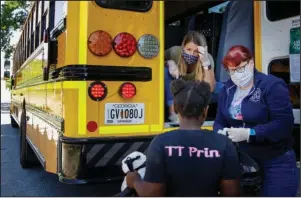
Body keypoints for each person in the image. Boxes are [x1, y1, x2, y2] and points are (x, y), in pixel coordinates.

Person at [126, 79, 241, 197]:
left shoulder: (160, 143)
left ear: (175, 109)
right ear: (205, 110)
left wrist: (134, 180)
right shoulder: (224, 144)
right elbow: (232, 193)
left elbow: (152, 194)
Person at [213, 45, 299, 196]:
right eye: (231, 70)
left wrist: (250, 133)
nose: (236, 74)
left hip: (276, 161)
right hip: (245, 163)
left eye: (240, 69)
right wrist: (220, 132)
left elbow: (284, 124)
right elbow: (220, 120)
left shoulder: (271, 86)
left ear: (251, 63)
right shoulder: (228, 89)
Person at [164, 31, 216, 122]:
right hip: (176, 88)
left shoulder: (207, 58)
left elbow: (210, 88)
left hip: (195, 89)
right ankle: (173, 113)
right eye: (188, 49)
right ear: (183, 47)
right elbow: (157, 60)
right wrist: (169, 63)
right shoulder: (174, 52)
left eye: (196, 51)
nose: (192, 54)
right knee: (165, 71)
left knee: (221, 87)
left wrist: (205, 63)